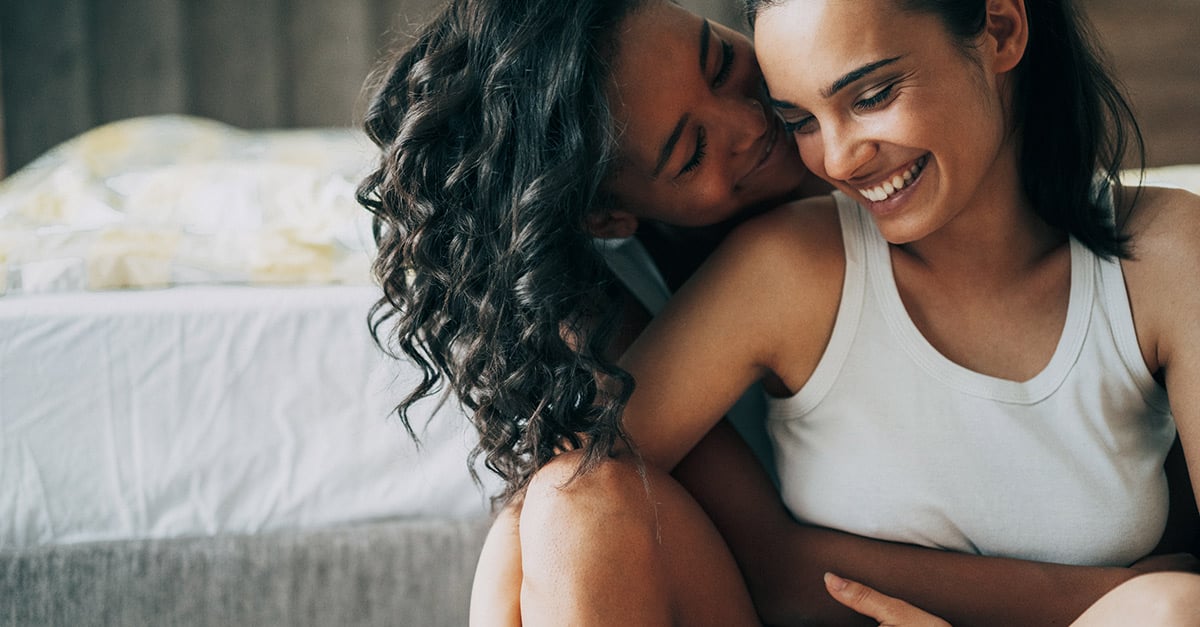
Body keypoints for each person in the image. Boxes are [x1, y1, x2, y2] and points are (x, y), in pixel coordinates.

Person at [357, 0, 1198, 624]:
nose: (802, 143)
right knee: (574, 501)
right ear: (613, 214)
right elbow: (741, 557)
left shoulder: (1157, 254)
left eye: (727, 67)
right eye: (691, 153)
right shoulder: (769, 270)